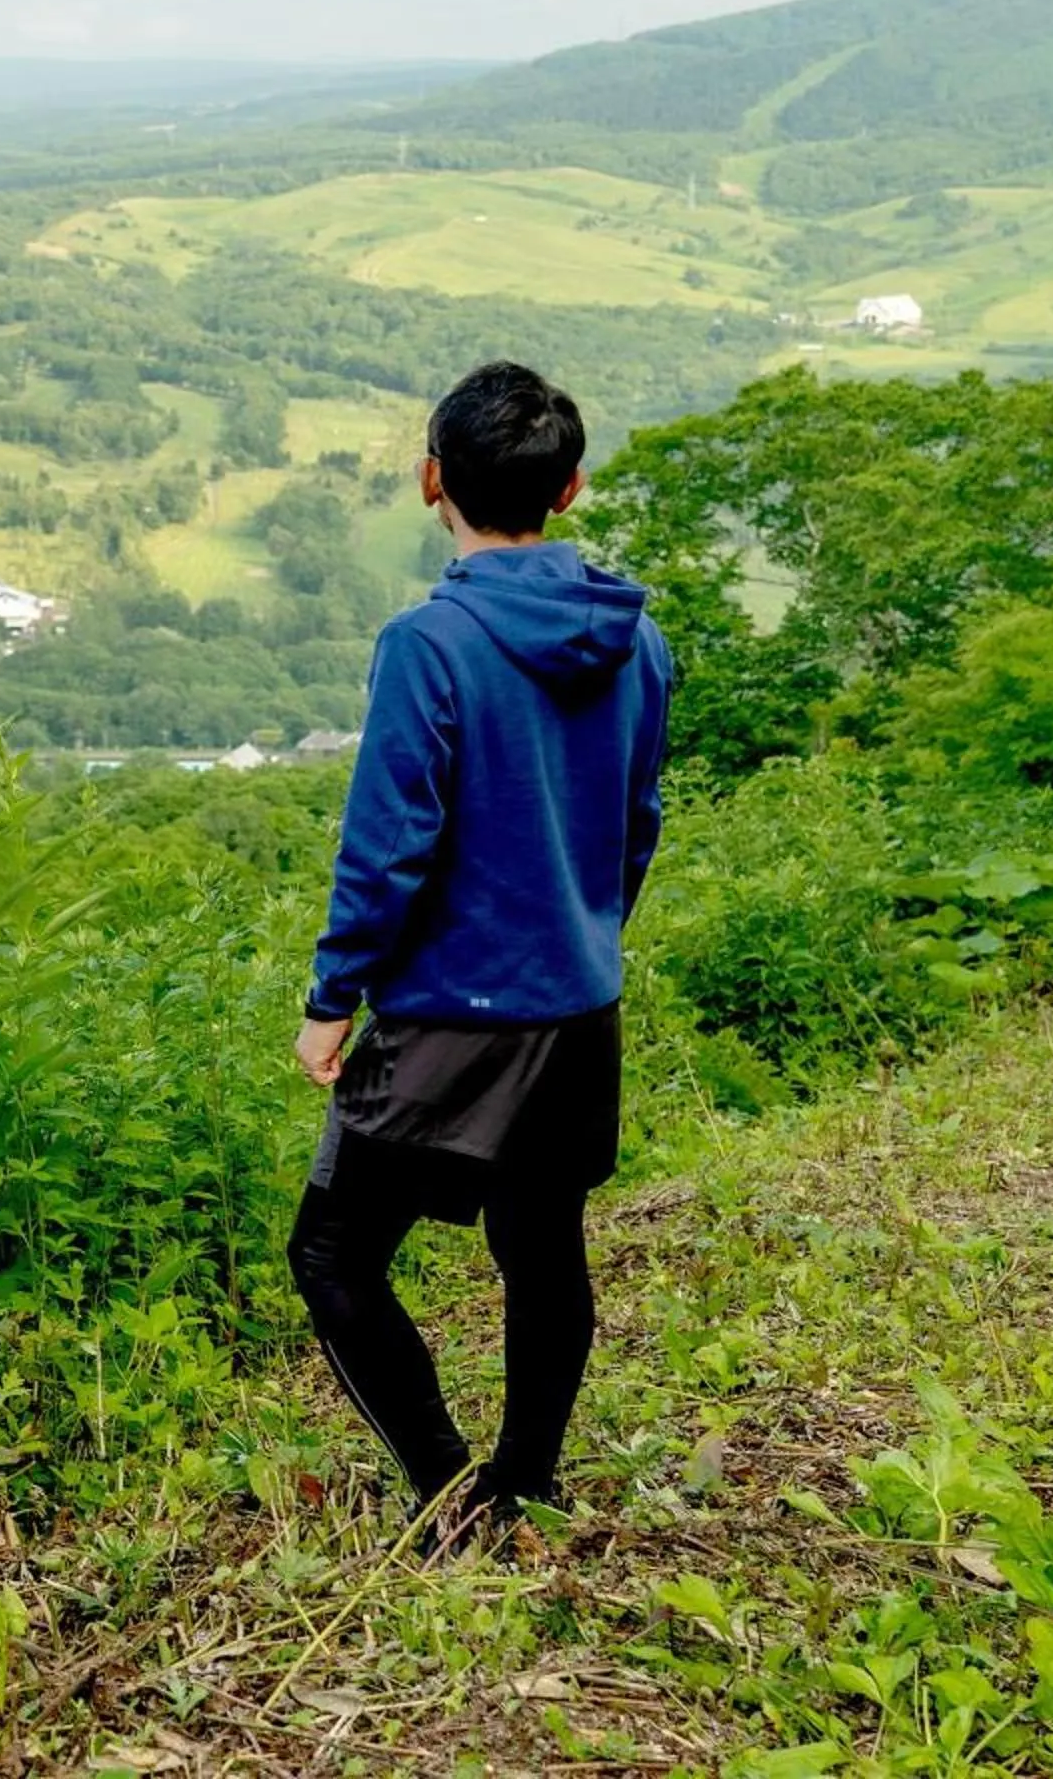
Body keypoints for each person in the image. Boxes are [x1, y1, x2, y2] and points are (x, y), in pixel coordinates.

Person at [288, 358, 671, 1543]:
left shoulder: (431, 644)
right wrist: (587, 931)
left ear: (430, 481)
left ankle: (451, 1490)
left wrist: (332, 995)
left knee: (333, 1251)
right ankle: (527, 1482)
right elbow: (639, 817)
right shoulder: (636, 639)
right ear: (572, 492)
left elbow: (388, 842)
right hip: (575, 1000)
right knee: (541, 1243)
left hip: (451, 1011)